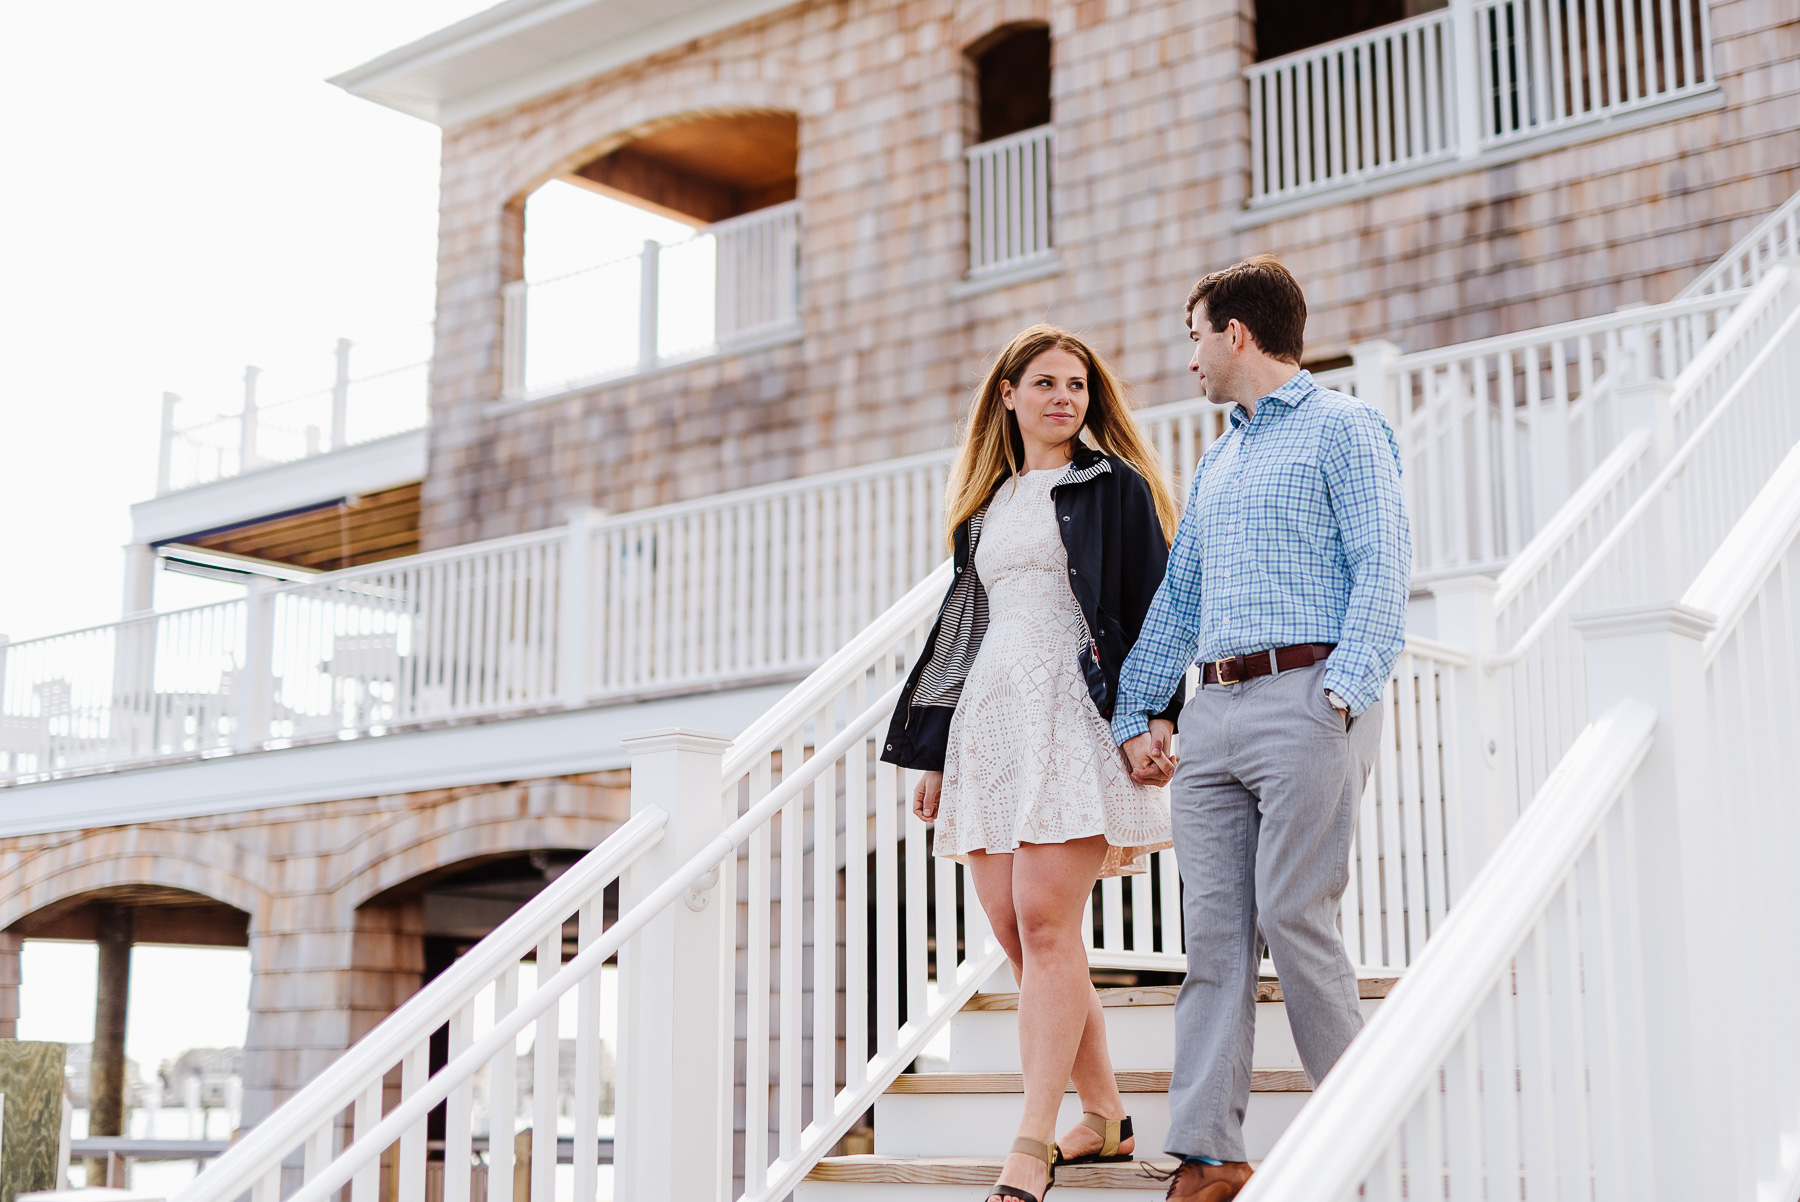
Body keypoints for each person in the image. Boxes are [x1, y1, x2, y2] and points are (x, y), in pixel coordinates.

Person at [1111, 258, 1410, 1201]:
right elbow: (1180, 597)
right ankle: (1209, 1151)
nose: (1190, 357)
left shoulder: (1347, 428)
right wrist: (1139, 710)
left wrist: (1344, 693)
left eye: (1194, 334)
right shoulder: (1219, 457)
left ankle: (1365, 1123)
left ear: (1235, 332)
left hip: (1307, 696)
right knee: (1215, 938)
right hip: (1215, 714)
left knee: (1292, 914)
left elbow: (1384, 566)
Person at [882, 325, 1184, 1202]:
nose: (1065, 398)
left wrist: (1153, 715)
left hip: (1073, 715)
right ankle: (1107, 1116)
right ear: (1007, 395)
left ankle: (1030, 1143)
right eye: (1046, 383)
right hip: (991, 725)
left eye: (1079, 385)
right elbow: (961, 632)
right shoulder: (987, 505)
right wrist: (933, 752)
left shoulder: (1112, 488)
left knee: (1047, 925)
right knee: (1019, 935)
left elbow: (1152, 607)